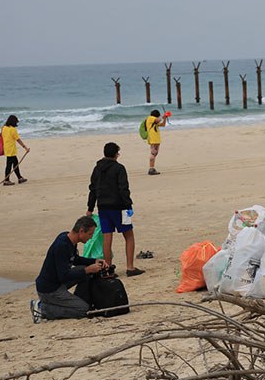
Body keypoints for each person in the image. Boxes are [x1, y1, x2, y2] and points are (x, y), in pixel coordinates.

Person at [30, 216, 108, 323]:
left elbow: (75, 259)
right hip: (49, 290)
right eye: (90, 234)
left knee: (84, 270)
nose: (91, 238)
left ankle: (78, 300)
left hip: (58, 282)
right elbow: (64, 275)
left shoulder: (70, 240)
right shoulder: (62, 245)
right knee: (84, 311)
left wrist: (94, 261)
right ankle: (42, 309)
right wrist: (88, 270)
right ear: (81, 231)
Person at [87, 142, 144, 277]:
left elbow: (93, 189)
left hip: (102, 208)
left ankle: (107, 269)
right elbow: (123, 189)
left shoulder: (97, 169)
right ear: (115, 154)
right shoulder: (119, 168)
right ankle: (130, 267)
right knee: (129, 236)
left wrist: (90, 208)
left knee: (107, 237)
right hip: (119, 207)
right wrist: (128, 206)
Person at [1, 115, 30, 186]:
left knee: (15, 164)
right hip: (11, 150)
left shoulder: (4, 128)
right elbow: (18, 140)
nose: (17, 123)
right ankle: (6, 181)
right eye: (16, 121)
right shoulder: (13, 130)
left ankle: (19, 178)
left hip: (6, 148)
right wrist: (25, 147)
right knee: (10, 165)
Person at [146, 109, 167, 175]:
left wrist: (165, 118)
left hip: (156, 139)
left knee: (155, 153)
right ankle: (151, 169)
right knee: (153, 153)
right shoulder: (150, 118)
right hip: (153, 139)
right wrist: (162, 116)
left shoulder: (154, 121)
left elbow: (163, 124)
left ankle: (152, 168)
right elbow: (159, 120)